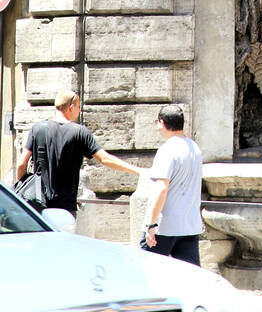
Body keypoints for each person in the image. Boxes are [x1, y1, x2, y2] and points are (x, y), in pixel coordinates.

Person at [15, 88, 141, 216]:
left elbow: (21, 164)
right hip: (65, 208)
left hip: (38, 206)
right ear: (71, 107)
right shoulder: (80, 132)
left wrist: (24, 185)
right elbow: (105, 159)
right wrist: (138, 170)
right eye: (78, 106)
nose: (79, 110)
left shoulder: (37, 129)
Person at [141, 104, 203, 267]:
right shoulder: (195, 148)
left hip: (165, 227)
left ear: (161, 122)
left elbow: (161, 188)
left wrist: (151, 224)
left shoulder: (167, 150)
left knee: (145, 273)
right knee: (190, 277)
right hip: (189, 226)